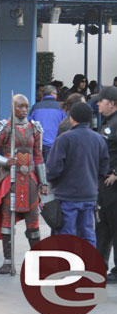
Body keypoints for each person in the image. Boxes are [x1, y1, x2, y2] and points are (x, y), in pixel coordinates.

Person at [0, 94, 49, 275]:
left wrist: (43, 182)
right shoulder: (4, 128)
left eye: (26, 106)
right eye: (20, 106)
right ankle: (7, 261)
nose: (23, 110)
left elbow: (38, 157)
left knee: (33, 221)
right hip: (9, 180)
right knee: (7, 221)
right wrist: (6, 161)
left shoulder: (35, 128)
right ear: (12, 107)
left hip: (29, 179)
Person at [46, 102, 109, 248]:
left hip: (67, 196)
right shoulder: (98, 139)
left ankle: (68, 269)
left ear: (72, 118)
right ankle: (89, 267)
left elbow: (53, 169)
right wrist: (93, 183)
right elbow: (103, 168)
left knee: (67, 236)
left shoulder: (64, 139)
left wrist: (53, 184)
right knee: (88, 234)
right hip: (89, 195)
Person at [92, 86, 117, 283]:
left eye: (101, 100)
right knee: (103, 227)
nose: (98, 103)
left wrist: (116, 173)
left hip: (113, 185)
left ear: (112, 103)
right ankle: (100, 266)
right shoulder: (107, 123)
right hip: (103, 185)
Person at [29, 85, 66, 160]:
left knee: (39, 169)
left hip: (38, 145)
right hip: (55, 145)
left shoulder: (35, 107)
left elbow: (29, 125)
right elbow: (65, 126)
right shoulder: (61, 108)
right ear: (52, 94)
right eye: (56, 94)